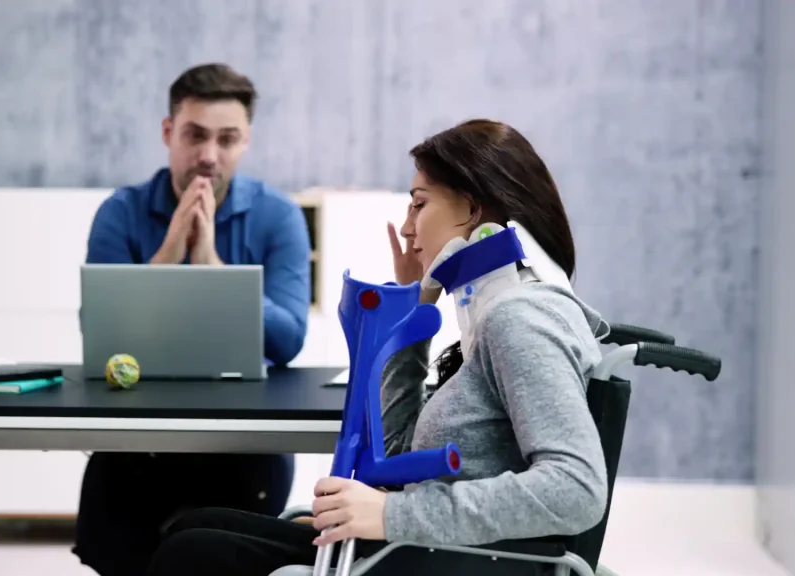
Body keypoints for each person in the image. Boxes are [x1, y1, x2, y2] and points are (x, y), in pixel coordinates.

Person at [143, 118, 611, 576]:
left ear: (470, 210)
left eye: (418, 205)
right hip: (422, 546)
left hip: (448, 557)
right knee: (191, 527)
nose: (407, 229)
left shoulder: (520, 317)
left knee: (190, 553)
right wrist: (417, 302)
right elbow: (398, 453)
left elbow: (576, 488)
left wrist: (391, 516)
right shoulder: (493, 314)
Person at [72, 63, 312, 576]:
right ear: (168, 133)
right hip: (138, 441)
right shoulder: (121, 211)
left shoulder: (278, 215)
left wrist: (211, 268)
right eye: (195, 135)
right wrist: (167, 254)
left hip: (244, 442)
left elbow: (290, 339)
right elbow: (98, 333)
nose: (209, 156)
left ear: (246, 141)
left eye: (227, 139)